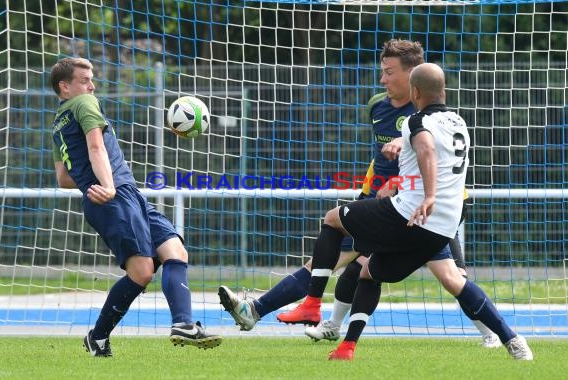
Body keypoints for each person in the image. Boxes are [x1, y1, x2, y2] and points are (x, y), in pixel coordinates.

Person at [220, 39, 499, 348]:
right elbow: (380, 159)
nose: (383, 79)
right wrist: (371, 188)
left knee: (450, 275)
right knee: (335, 263)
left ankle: (493, 334)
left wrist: (399, 184)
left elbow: (437, 162)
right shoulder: (377, 106)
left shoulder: (430, 116)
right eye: (382, 71)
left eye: (389, 72)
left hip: (428, 207)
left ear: (413, 77)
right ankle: (264, 311)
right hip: (383, 205)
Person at [276, 62, 533, 361]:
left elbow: (425, 149)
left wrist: (428, 195)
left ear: (415, 92)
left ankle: (312, 303)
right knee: (376, 272)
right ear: (444, 91)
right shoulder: (459, 122)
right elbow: (427, 149)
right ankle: (513, 340)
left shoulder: (414, 121)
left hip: (408, 214)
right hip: (445, 224)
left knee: (333, 219)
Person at [50, 57, 222, 357]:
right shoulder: (84, 104)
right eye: (84, 80)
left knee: (174, 251)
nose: (91, 86)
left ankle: (183, 324)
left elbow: (64, 178)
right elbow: (95, 147)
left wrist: (98, 184)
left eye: (92, 79)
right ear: (65, 87)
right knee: (142, 272)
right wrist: (108, 185)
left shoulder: (57, 124)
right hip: (115, 196)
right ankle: (98, 337)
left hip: (125, 194)